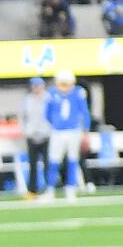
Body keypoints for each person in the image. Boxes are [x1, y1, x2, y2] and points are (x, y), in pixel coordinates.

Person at [44, 70, 89, 202]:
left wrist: (85, 130)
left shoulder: (78, 93)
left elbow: (84, 112)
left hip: (73, 131)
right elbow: (47, 113)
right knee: (53, 161)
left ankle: (71, 189)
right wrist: (56, 124)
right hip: (57, 132)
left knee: (72, 160)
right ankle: (50, 189)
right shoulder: (52, 94)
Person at [21, 76, 51, 197]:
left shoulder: (48, 99)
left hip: (46, 135)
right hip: (32, 136)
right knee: (32, 164)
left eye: (38, 85)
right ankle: (32, 190)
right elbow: (23, 117)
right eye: (34, 86)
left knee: (47, 163)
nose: (36, 88)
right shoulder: (28, 100)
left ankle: (49, 188)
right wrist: (26, 131)